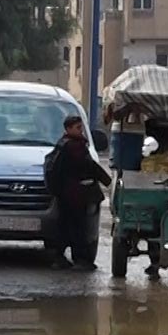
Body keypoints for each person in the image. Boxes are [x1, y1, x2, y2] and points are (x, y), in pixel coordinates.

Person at [47, 114, 114, 270]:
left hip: (68, 194)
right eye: (78, 128)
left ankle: (61, 257)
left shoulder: (66, 144)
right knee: (78, 227)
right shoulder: (73, 146)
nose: (81, 130)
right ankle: (80, 259)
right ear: (68, 129)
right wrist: (108, 181)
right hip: (74, 195)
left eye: (81, 127)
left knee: (66, 226)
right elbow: (90, 167)